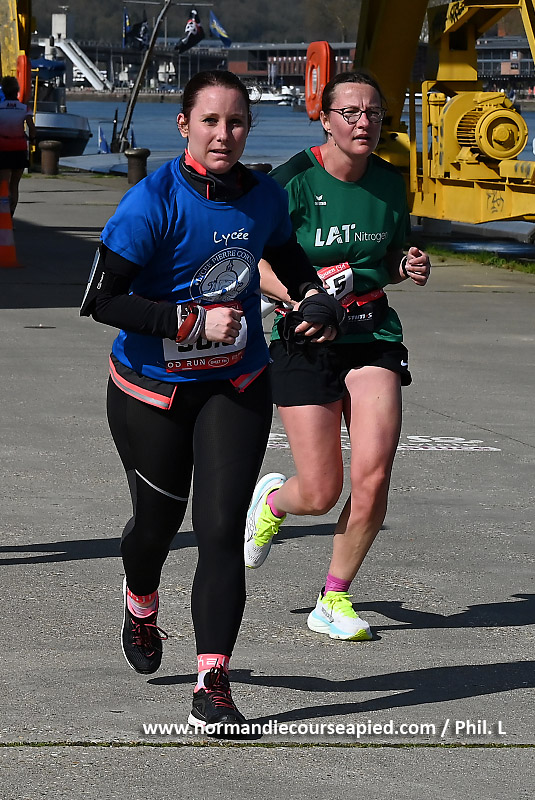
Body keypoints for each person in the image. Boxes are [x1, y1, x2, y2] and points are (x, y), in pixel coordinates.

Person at [81, 70, 341, 736]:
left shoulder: (262, 196)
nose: (224, 134)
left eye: (236, 122)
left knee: (221, 530)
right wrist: (189, 323)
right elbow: (100, 300)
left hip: (237, 382)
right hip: (152, 390)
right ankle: (142, 598)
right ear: (184, 126)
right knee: (157, 529)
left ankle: (211, 683)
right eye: (210, 121)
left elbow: (287, 255)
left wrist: (314, 298)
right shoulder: (150, 203)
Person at [244, 70, 431, 642]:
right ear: (324, 119)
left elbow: (389, 258)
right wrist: (301, 297)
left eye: (373, 112)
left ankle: (333, 597)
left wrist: (407, 265)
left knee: (374, 475)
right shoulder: (291, 182)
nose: (363, 122)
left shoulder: (391, 182)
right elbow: (254, 262)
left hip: (372, 335)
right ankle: (276, 502)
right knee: (321, 492)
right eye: (349, 112)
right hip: (304, 338)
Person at [0, 76, 36, 216]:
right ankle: (11, 214)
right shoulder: (24, 108)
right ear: (17, 91)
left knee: (4, 183)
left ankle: (3, 214)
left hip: (3, 149)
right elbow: (32, 128)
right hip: (19, 149)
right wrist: (32, 140)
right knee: (14, 184)